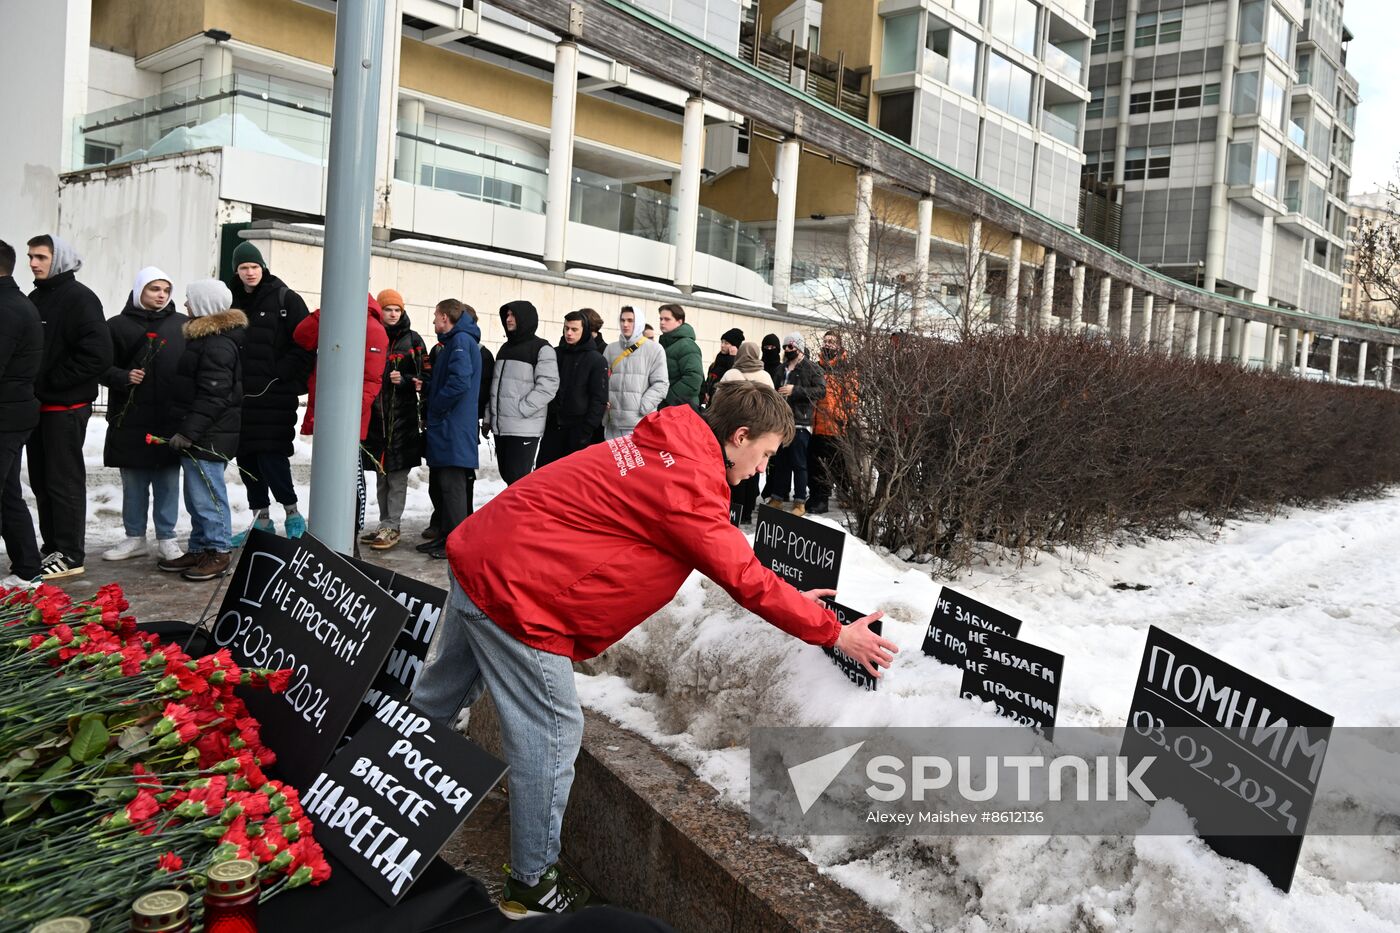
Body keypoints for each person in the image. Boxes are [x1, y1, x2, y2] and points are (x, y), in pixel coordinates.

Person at [412, 381, 896, 918]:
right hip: (518, 593)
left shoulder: (669, 447)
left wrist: (789, 599)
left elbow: (724, 562)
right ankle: (532, 883)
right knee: (553, 734)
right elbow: (742, 575)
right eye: (764, 454)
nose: (763, 468)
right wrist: (835, 632)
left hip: (485, 554)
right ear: (739, 438)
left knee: (434, 702)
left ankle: (373, 796)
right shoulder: (687, 482)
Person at [25, 234, 113, 579]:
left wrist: (50, 383)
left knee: (64, 482)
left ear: (58, 258)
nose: (33, 263)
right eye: (31, 256)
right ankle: (53, 547)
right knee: (42, 482)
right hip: (39, 408)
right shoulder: (36, 297)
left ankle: (71, 554)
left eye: (41, 257)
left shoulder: (80, 299)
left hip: (65, 408)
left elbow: (98, 355)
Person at [157, 280, 245, 582]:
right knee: (196, 496)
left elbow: (214, 395)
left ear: (205, 305)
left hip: (209, 434)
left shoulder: (217, 343)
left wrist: (190, 432)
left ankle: (219, 551)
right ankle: (200, 548)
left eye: (189, 300)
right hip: (202, 432)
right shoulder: (205, 339)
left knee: (207, 496)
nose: (184, 306)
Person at [226, 241, 314, 544]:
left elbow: (305, 344)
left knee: (271, 455)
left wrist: (281, 375)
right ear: (236, 271)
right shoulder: (230, 300)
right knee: (247, 457)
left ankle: (292, 513)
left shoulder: (285, 298)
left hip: (275, 396)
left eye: (254, 267)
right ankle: (260, 519)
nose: (250, 272)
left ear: (263, 267)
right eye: (243, 268)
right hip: (241, 397)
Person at [100, 266, 186, 563]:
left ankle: (167, 538)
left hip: (169, 417)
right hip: (131, 417)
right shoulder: (116, 325)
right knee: (134, 481)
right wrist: (123, 376)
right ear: (139, 290)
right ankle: (134, 536)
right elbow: (99, 366)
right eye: (154, 289)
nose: (161, 295)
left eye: (165, 290)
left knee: (167, 480)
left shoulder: (182, 325)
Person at [292, 294, 388, 543]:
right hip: (326, 412)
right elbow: (301, 336)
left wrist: (346, 415)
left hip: (348, 421)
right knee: (327, 479)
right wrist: (326, 311)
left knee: (349, 480)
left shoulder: (373, 329)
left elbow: (371, 380)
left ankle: (350, 537)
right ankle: (327, 534)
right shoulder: (331, 316)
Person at [360, 289, 426, 551]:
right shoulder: (371, 335)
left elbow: (426, 377)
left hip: (402, 421)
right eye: (388, 309)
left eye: (397, 310)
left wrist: (407, 380)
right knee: (381, 476)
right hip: (377, 421)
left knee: (397, 478)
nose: (393, 314)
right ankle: (384, 523)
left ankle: (393, 525)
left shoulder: (413, 340)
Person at [422, 299, 482, 560]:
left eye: (435, 316)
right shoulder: (456, 342)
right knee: (445, 486)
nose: (434, 321)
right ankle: (446, 538)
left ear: (445, 317)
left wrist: (436, 406)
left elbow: (459, 382)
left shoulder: (460, 342)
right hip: (450, 425)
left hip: (452, 426)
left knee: (453, 487)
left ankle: (455, 544)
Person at [0, 241, 43, 586]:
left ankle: (29, 569)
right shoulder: (12, 303)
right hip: (12, 413)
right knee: (8, 494)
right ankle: (28, 569)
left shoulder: (8, 308)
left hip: (6, 416)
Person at [486, 300, 558, 485]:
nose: (508, 319)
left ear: (525, 318)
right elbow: (496, 388)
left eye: (513, 315)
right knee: (508, 477)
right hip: (501, 427)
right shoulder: (505, 348)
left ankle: (526, 514)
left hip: (524, 427)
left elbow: (548, 385)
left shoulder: (541, 348)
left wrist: (522, 409)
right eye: (507, 315)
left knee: (518, 480)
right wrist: (489, 417)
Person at [766, 332, 825, 517]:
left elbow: (821, 391)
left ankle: (800, 501)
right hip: (781, 422)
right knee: (781, 462)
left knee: (799, 463)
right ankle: (777, 497)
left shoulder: (811, 368)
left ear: (798, 347)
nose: (786, 350)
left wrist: (795, 390)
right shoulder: (780, 368)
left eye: (790, 347)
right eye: (785, 347)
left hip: (800, 421)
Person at [537, 311, 606, 468]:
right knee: (544, 472)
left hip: (578, 428)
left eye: (574, 329)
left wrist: (586, 430)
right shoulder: (555, 353)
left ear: (584, 330)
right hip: (553, 426)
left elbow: (599, 398)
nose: (569, 333)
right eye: (566, 328)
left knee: (571, 476)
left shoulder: (596, 359)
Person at [718, 341, 774, 524]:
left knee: (733, 470)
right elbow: (774, 406)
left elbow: (718, 401)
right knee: (752, 474)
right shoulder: (765, 376)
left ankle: (732, 511)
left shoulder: (731, 374)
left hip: (733, 430)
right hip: (758, 432)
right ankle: (748, 512)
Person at [602, 305, 667, 440]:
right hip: (612, 421)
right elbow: (602, 380)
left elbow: (661, 384)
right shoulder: (610, 349)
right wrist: (603, 400)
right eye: (622, 320)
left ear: (639, 323)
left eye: (630, 320)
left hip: (638, 423)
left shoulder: (654, 349)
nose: (625, 324)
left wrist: (642, 407)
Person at [808, 331, 855, 515]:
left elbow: (851, 398)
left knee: (838, 463)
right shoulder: (817, 366)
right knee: (816, 463)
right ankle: (820, 497)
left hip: (835, 424)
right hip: (816, 424)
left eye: (832, 342)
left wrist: (842, 417)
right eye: (826, 341)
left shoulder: (845, 368)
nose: (828, 345)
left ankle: (844, 493)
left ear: (839, 345)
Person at [657, 303, 702, 410]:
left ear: (679, 321)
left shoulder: (687, 345)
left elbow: (693, 378)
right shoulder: (665, 344)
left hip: (680, 408)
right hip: (668, 407)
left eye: (667, 319)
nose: (662, 322)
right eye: (661, 319)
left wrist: (668, 398)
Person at [700, 327, 743, 408]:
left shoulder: (736, 364)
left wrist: (733, 357)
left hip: (723, 406)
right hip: (710, 404)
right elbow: (709, 380)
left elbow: (733, 375)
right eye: (722, 342)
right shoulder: (716, 362)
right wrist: (706, 392)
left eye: (726, 343)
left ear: (734, 346)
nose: (722, 345)